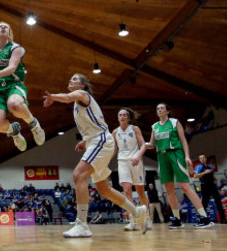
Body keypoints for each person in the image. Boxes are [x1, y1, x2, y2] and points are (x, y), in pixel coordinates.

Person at [43, 73, 149, 238]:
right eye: (70, 78)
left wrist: (53, 97)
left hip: (101, 141)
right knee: (104, 189)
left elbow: (68, 97)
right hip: (95, 141)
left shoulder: (82, 95)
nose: (71, 80)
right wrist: (85, 140)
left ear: (83, 85)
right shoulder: (78, 104)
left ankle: (82, 224)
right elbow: (92, 124)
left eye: (75, 79)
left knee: (78, 175)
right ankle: (137, 212)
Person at [144, 103, 214, 229]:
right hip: (162, 156)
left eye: (162, 108)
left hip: (175, 154)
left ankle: (205, 217)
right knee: (169, 189)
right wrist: (142, 144)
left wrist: (187, 156)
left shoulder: (174, 122)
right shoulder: (155, 126)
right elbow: (152, 144)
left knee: (184, 186)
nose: (159, 110)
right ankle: (177, 219)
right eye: (157, 108)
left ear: (167, 111)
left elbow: (183, 140)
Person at [0, 21, 45, 151]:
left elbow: (11, 68)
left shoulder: (15, 48)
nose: (4, 27)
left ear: (9, 34)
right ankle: (14, 131)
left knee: (14, 104)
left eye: (7, 27)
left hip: (13, 84)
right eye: (0, 26)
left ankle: (34, 124)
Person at [112, 108, 151, 231]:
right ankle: (133, 220)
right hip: (122, 161)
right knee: (127, 190)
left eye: (124, 115)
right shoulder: (114, 132)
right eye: (120, 115)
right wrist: (105, 160)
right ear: (118, 118)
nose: (122, 117)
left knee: (140, 192)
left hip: (136, 161)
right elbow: (114, 149)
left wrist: (138, 156)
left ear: (128, 118)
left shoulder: (135, 129)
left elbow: (143, 144)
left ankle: (146, 218)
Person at [193, 154, 227, 224]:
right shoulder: (198, 167)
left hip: (212, 185)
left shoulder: (210, 166)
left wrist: (214, 177)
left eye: (203, 157)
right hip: (205, 186)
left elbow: (211, 173)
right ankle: (202, 219)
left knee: (218, 201)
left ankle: (223, 219)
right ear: (199, 160)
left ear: (206, 159)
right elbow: (195, 176)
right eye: (200, 158)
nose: (202, 159)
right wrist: (204, 173)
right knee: (204, 203)